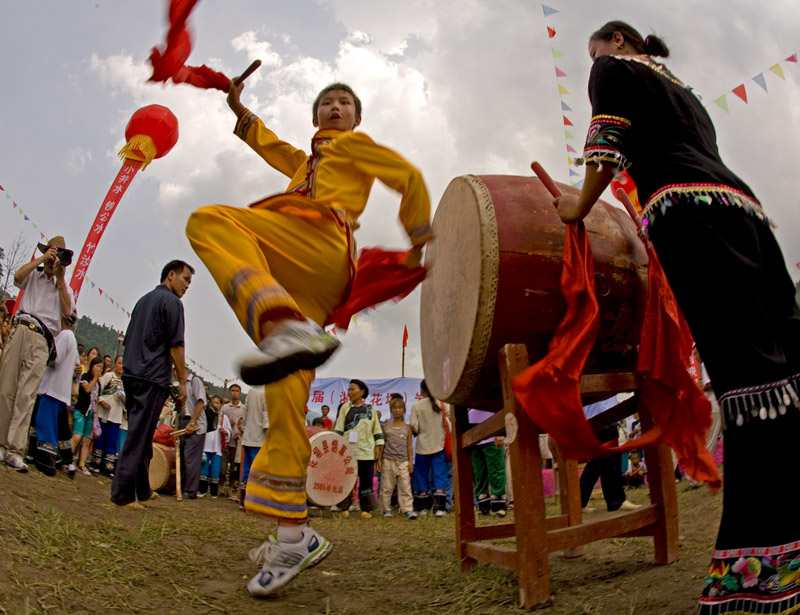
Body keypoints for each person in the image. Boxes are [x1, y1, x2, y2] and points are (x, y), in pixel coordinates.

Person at [557, 21, 800, 614]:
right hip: (743, 208)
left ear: (616, 42)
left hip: (690, 213)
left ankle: (762, 563)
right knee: (787, 374)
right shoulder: (683, 91)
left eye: (595, 50)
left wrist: (578, 203)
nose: (593, 61)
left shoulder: (613, 69)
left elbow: (605, 139)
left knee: (748, 384)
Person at [186, 78, 431, 597]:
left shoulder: (356, 148)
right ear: (316, 115)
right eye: (326, 102)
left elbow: (406, 175)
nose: (335, 107)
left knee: (209, 221)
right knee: (285, 397)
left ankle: (279, 324)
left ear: (356, 118)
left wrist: (418, 236)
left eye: (344, 103)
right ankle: (294, 536)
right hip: (302, 287)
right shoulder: (305, 159)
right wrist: (237, 107)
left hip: (320, 244)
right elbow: (268, 142)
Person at [110, 260, 193, 511]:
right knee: (138, 436)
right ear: (171, 275)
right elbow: (176, 345)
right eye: (186, 279)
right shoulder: (172, 303)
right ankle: (122, 495)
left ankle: (142, 489)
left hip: (133, 373)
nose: (187, 286)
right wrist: (181, 380)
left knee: (143, 434)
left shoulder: (143, 300)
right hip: (151, 376)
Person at [0, 236, 74, 472]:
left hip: (42, 338)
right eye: (54, 253)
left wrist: (60, 278)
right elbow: (17, 277)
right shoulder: (33, 274)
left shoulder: (64, 287)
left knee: (27, 394)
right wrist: (42, 259)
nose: (55, 260)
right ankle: (1, 443)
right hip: (21, 327)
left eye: (60, 256)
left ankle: (15, 450)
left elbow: (68, 312)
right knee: (6, 389)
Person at [30, 311, 80, 476]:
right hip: (59, 390)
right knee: (52, 426)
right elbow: (77, 368)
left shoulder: (63, 336)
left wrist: (43, 353)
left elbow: (55, 360)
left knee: (46, 426)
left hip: (52, 389)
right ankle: (49, 461)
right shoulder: (71, 338)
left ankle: (47, 463)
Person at [334, 379, 384, 517]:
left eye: (352, 389)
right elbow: (339, 428)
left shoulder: (370, 409)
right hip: (348, 450)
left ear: (362, 392)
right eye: (348, 390)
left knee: (366, 480)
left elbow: (377, 429)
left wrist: (378, 448)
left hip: (366, 451)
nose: (349, 392)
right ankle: (344, 507)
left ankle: (366, 509)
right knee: (347, 479)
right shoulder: (345, 407)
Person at [409, 380, 448, 516]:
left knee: (421, 476)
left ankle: (422, 508)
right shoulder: (443, 404)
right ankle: (439, 508)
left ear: (422, 391)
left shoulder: (417, 405)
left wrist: (419, 431)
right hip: (439, 443)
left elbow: (413, 425)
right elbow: (449, 421)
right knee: (440, 475)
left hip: (422, 445)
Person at [380, 395, 416, 519]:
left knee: (405, 486)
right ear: (391, 410)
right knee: (387, 486)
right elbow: (382, 445)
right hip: (388, 460)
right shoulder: (385, 427)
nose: (397, 410)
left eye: (400, 408)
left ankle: (407, 509)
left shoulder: (407, 428)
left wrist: (410, 461)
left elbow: (410, 446)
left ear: (404, 410)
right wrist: (379, 460)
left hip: (403, 461)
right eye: (394, 408)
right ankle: (386, 509)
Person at [467, 409, 508, 517]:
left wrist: (500, 432)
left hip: (492, 433)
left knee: (496, 470)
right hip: (473, 434)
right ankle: (483, 505)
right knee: (479, 473)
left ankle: (499, 504)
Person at [71, 356, 103, 476]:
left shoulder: (98, 384)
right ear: (92, 366)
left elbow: (96, 401)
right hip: (81, 411)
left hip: (91, 415)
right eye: (97, 366)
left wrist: (97, 419)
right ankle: (66, 459)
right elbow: (87, 389)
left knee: (86, 441)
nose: (99, 369)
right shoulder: (86, 377)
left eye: (101, 367)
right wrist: (95, 378)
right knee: (77, 437)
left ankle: (82, 464)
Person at [93, 355, 125, 476]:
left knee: (112, 441)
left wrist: (124, 399)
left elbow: (128, 402)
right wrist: (102, 401)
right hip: (104, 413)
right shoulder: (108, 376)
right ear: (115, 364)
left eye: (123, 364)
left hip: (116, 415)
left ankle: (108, 467)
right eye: (119, 363)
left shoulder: (125, 382)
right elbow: (98, 392)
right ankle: (96, 464)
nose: (121, 366)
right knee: (100, 439)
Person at [178, 370, 207, 499]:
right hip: (183, 421)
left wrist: (192, 422)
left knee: (191, 457)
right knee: (182, 455)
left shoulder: (195, 381)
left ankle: (191, 490)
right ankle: (182, 486)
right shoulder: (178, 385)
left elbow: (201, 402)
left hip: (196, 423)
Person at [239, 385, 268, 508]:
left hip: (248, 436)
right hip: (259, 438)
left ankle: (243, 500)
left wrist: (244, 429)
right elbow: (267, 418)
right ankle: (254, 501)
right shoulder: (268, 392)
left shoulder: (251, 391)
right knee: (258, 470)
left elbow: (245, 412)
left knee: (247, 468)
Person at [200, 395, 231, 498]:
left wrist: (225, 432)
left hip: (217, 447)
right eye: (214, 403)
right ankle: (203, 490)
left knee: (215, 469)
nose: (216, 405)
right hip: (205, 445)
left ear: (221, 405)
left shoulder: (224, 418)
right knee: (203, 469)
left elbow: (229, 431)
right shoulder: (205, 415)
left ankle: (214, 492)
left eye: (218, 403)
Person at [219, 383, 245, 498]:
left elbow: (245, 424)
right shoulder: (225, 408)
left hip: (237, 442)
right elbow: (220, 421)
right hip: (225, 441)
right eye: (233, 390)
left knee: (235, 468)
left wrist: (240, 431)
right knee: (223, 466)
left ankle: (230, 489)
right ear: (230, 393)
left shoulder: (244, 409)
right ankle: (220, 488)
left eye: (237, 391)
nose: (235, 393)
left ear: (240, 393)